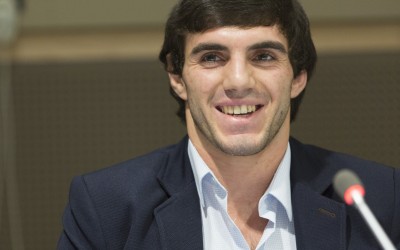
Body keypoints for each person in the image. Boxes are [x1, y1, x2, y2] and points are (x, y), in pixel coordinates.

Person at [57, 0, 400, 249]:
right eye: (211, 57)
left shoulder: (383, 200)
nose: (238, 81)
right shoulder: (107, 207)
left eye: (263, 56)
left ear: (298, 76)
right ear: (176, 76)